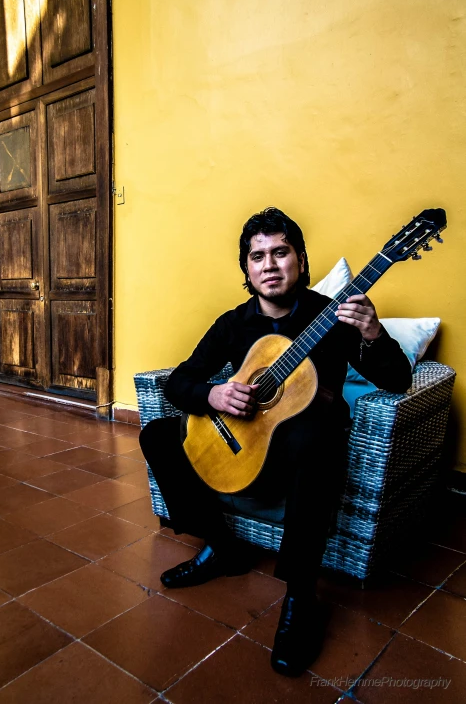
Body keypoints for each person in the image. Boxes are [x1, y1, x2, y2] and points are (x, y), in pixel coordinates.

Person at [139, 207, 412, 676]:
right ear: (246, 268)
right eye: (258, 256)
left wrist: (372, 331)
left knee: (315, 433)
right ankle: (222, 546)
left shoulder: (333, 318)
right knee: (157, 435)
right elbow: (179, 381)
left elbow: (397, 380)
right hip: (245, 442)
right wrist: (213, 393)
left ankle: (300, 597)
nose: (269, 264)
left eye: (280, 252)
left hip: (307, 456)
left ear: (301, 262)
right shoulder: (233, 324)